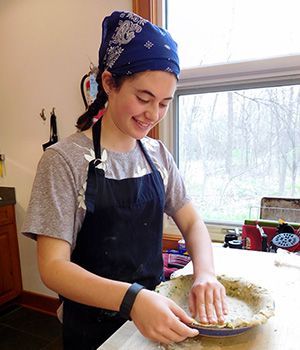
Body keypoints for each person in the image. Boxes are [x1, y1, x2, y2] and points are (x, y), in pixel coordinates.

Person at [22, 10, 227, 350]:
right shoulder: (63, 161)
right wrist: (133, 300)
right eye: (144, 98)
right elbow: (53, 267)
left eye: (164, 103)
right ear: (108, 83)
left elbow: (191, 222)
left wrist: (205, 273)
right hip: (92, 328)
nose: (153, 114)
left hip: (155, 316)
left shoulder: (158, 155)